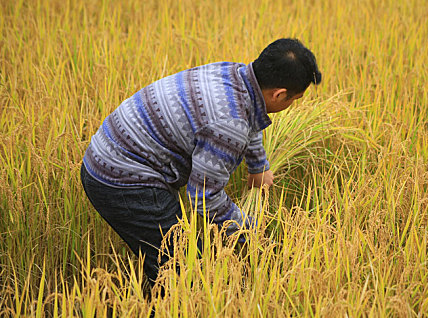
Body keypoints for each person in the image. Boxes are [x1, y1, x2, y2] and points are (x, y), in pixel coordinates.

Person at [80, 38, 322, 283]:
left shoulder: (234, 73)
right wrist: (252, 234)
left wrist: (258, 167)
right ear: (279, 94)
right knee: (180, 273)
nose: (292, 104)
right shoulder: (229, 124)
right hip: (122, 178)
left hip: (110, 149)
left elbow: (251, 115)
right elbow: (204, 197)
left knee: (172, 262)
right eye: (294, 99)